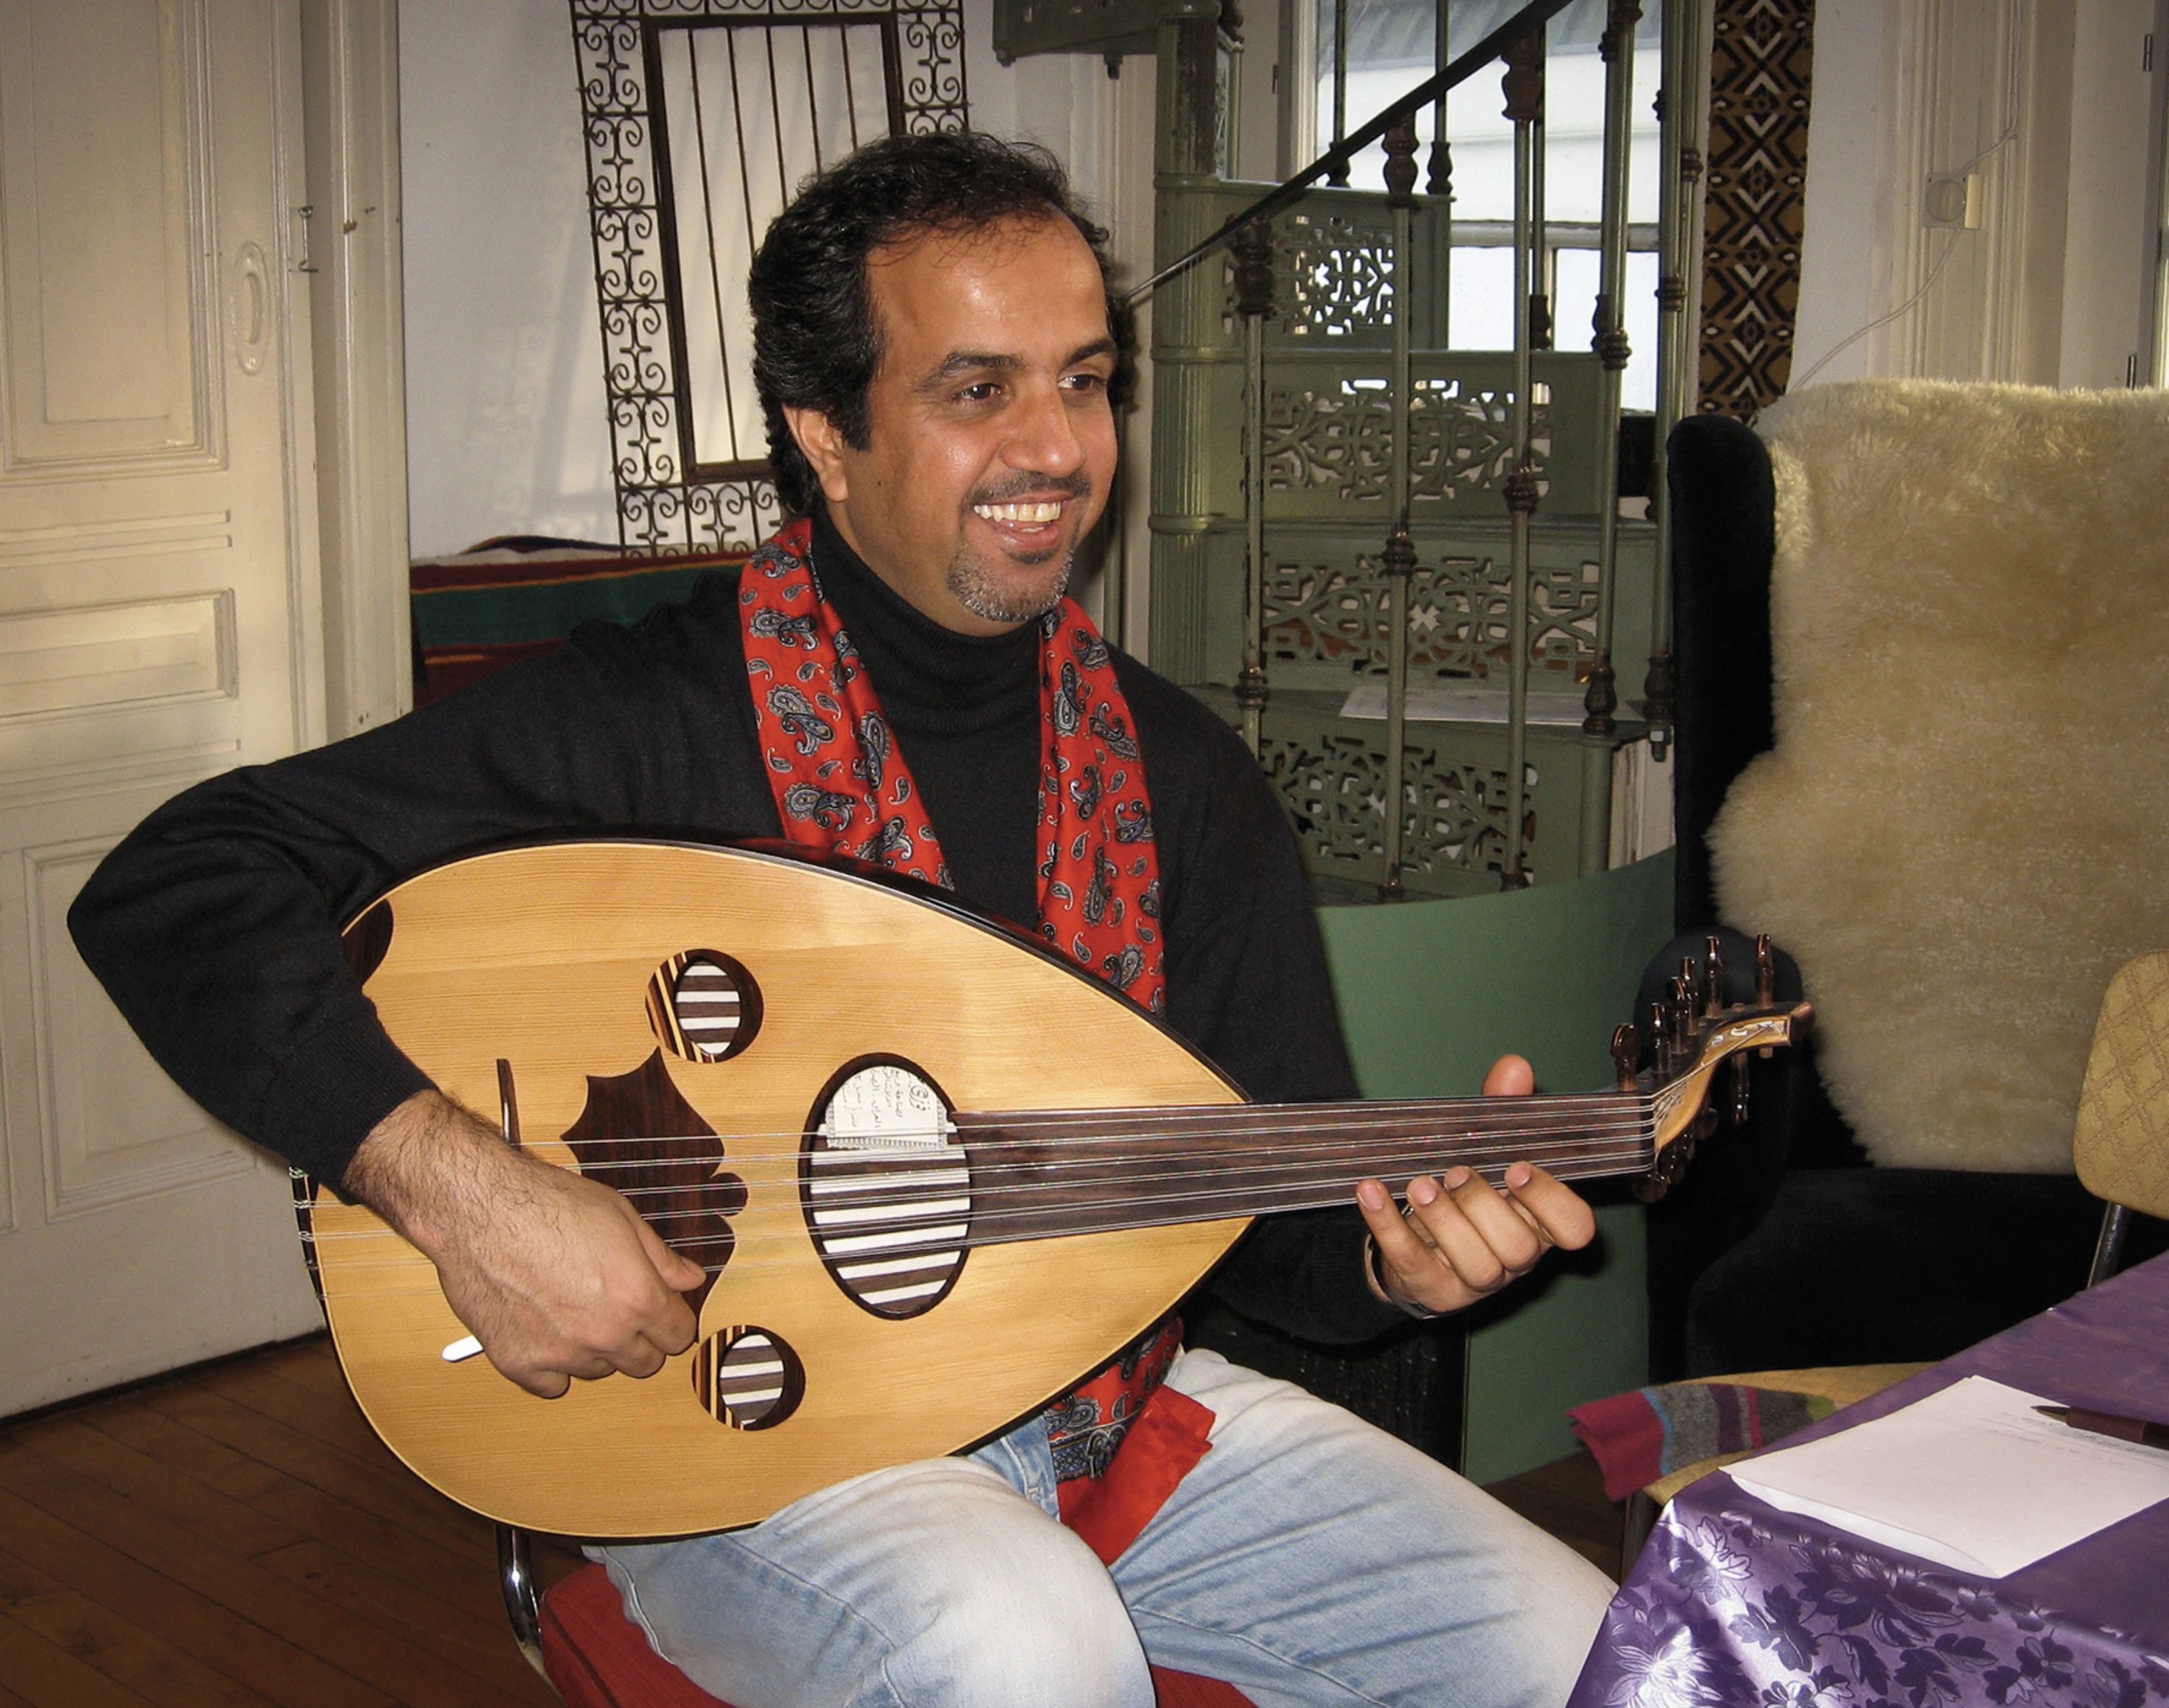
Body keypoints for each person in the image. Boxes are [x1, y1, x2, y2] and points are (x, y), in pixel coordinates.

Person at [70, 132, 1615, 1707]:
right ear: (825, 430)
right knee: (1022, 1640)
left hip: (1107, 1400)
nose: (1058, 447)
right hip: (740, 1431)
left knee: (1594, 1650)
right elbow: (179, 880)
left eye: (1082, 380)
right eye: (976, 390)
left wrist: (1399, 1268)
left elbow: (1271, 1225)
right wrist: (461, 1188)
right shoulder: (653, 719)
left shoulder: (1182, 777)